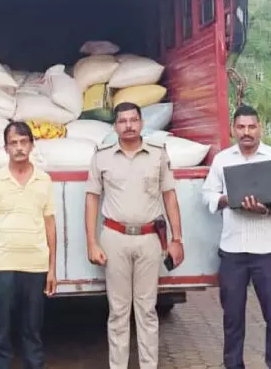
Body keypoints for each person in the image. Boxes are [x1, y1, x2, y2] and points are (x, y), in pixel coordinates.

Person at [85, 102, 185, 369]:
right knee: (118, 312)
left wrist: (177, 239)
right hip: (114, 238)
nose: (128, 125)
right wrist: (92, 242)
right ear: (115, 126)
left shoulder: (157, 154)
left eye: (133, 120)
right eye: (122, 121)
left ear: (142, 123)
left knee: (147, 311)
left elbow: (170, 196)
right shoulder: (102, 156)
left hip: (149, 239)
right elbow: (92, 200)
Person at [202, 104, 271, 369]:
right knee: (232, 318)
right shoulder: (222, 159)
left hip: (267, 251)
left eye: (251, 127)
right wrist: (225, 199)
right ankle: (234, 365)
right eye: (241, 127)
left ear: (259, 128)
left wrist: (266, 209)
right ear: (233, 129)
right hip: (233, 251)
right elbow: (207, 194)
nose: (246, 132)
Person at [0, 121, 57, 369]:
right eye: (14, 143)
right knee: (0, 333)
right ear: (6, 148)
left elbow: (50, 226)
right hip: (1, 267)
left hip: (35, 267)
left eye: (24, 142)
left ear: (32, 145)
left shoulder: (44, 180)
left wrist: (52, 270)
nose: (19, 148)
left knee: (32, 332)